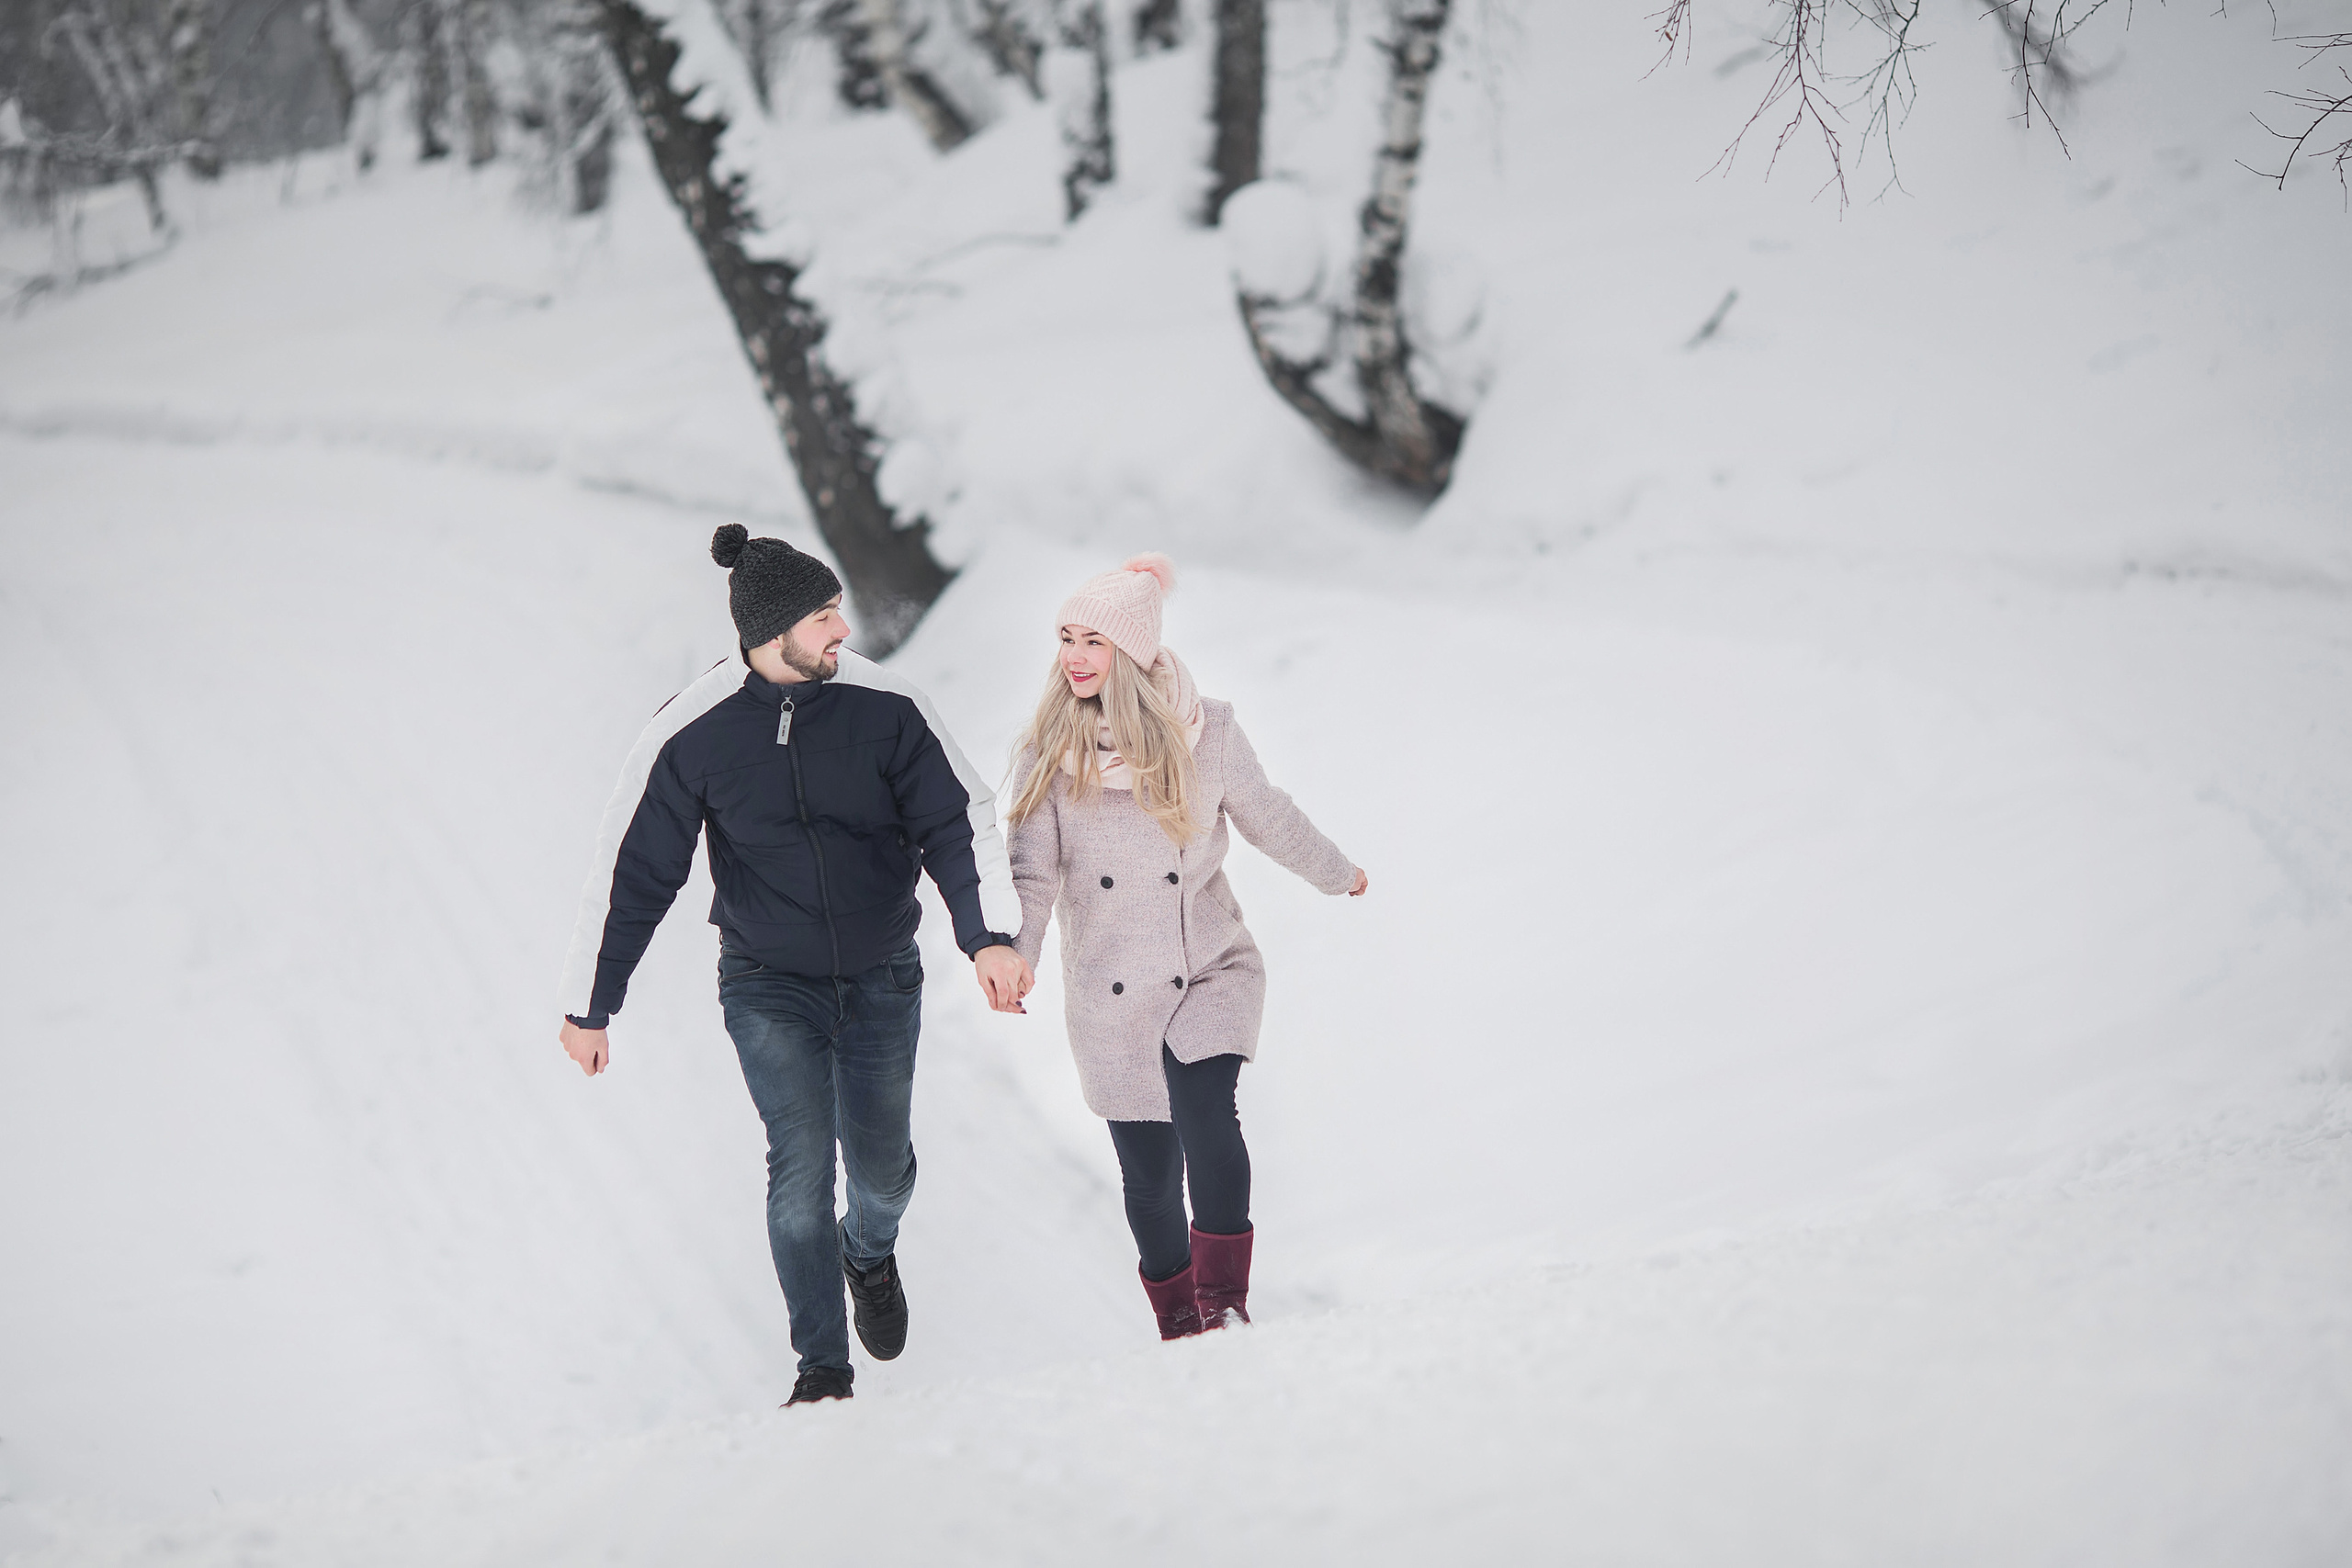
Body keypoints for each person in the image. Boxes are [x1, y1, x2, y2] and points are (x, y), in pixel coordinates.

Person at [556, 524, 1033, 1405]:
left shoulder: (886, 706)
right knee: (801, 1167)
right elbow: (636, 867)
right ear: (771, 633)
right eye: (824, 616)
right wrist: (593, 1003)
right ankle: (823, 1369)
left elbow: (959, 817)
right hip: (767, 983)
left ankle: (870, 1251)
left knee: (882, 1171)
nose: (843, 630)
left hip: (883, 969)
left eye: (838, 609)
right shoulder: (691, 732)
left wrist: (989, 935)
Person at [1001, 555, 1366, 1339]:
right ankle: (1179, 1320)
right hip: (1110, 987)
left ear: (1133, 652)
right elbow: (1030, 871)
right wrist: (1017, 951)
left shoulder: (1211, 732)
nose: (1074, 657)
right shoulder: (1047, 753)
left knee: (1207, 1113)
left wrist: (1340, 873)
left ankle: (1225, 1303)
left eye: (1093, 641)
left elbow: (1268, 815)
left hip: (1209, 960)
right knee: (1151, 1176)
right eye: (1066, 638)